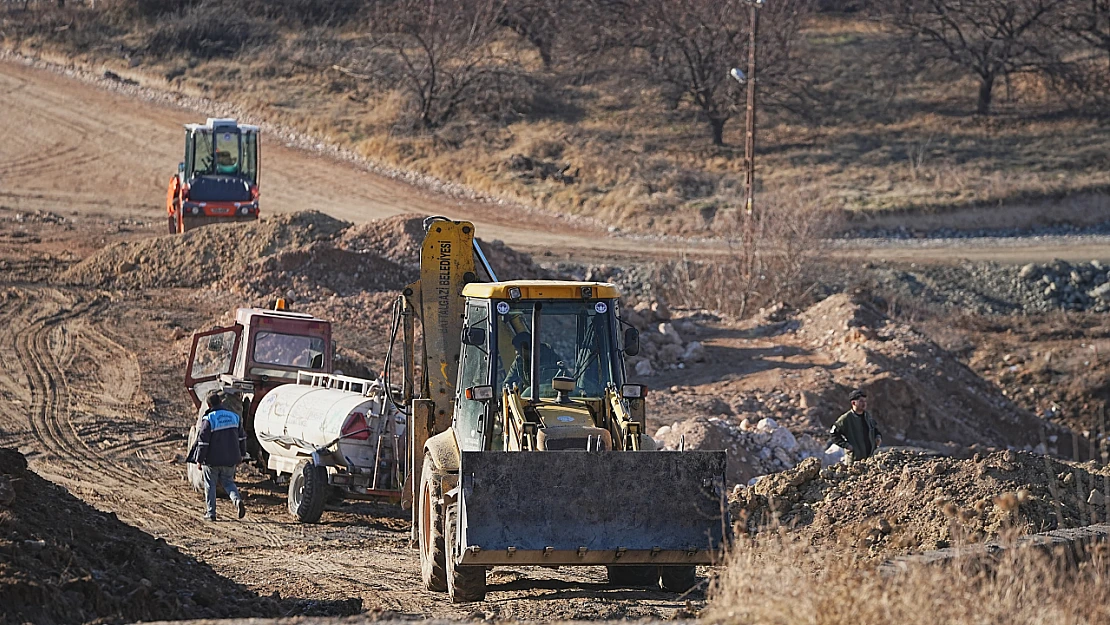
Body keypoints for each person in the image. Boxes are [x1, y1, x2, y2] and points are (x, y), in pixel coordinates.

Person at [186, 390, 247, 521]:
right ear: (221, 402)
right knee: (229, 483)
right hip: (230, 459)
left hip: (212, 461)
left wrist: (199, 460)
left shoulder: (208, 419)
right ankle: (236, 500)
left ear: (208, 406)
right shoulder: (234, 417)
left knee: (210, 485)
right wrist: (241, 455)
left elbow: (203, 442)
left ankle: (211, 513)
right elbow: (242, 438)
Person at [828, 389, 882, 463]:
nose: (864, 404)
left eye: (865, 401)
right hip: (854, 460)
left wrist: (878, 437)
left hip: (869, 459)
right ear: (853, 403)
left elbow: (874, 429)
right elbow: (833, 434)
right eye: (861, 401)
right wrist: (847, 445)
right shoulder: (845, 419)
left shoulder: (867, 416)